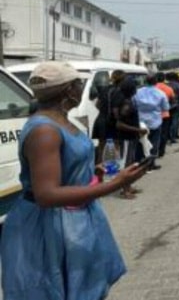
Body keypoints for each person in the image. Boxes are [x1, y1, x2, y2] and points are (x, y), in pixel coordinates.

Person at [0, 61, 148, 300]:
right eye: (79, 83)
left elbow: (64, 165)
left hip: (74, 220)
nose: (82, 89)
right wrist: (114, 184)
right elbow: (46, 194)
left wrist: (90, 171)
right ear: (69, 90)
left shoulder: (61, 120)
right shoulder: (44, 130)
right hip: (50, 226)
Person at [116, 79, 147, 199]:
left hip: (130, 137)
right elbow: (119, 124)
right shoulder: (126, 104)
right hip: (126, 138)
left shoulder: (128, 101)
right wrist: (138, 130)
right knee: (126, 164)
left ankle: (128, 186)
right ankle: (124, 189)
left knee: (130, 163)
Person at [135, 74, 169, 171]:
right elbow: (165, 108)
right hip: (155, 121)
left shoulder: (138, 92)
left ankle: (139, 162)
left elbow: (133, 104)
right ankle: (151, 164)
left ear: (145, 81)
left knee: (141, 142)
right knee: (154, 143)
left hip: (140, 121)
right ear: (156, 82)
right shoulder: (160, 94)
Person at [91, 69, 126, 164]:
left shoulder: (104, 89)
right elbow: (115, 110)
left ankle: (99, 168)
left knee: (101, 146)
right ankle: (113, 169)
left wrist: (104, 111)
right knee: (115, 145)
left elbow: (97, 105)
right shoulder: (120, 91)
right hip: (112, 121)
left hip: (100, 119)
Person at [155, 73, 175, 155]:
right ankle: (161, 151)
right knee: (164, 133)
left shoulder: (152, 88)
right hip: (164, 114)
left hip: (153, 115)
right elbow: (173, 100)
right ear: (164, 79)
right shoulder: (169, 89)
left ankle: (153, 151)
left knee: (153, 133)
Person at [167, 72, 179, 141]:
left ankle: (169, 135)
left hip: (167, 105)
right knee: (175, 120)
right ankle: (173, 136)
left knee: (169, 120)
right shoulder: (178, 85)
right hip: (176, 105)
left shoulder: (166, 85)